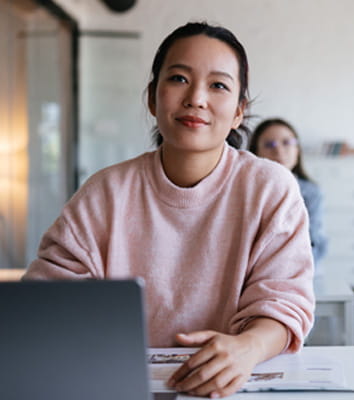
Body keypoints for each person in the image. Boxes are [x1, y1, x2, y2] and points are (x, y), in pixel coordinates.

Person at [23, 22, 314, 398]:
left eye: (218, 85)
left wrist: (250, 346)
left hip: (233, 386)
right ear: (151, 98)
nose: (196, 98)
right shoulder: (106, 191)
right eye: (178, 78)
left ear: (240, 111)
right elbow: (44, 301)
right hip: (115, 382)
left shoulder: (270, 188)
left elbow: (285, 300)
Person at [249, 118, 328, 269]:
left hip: (297, 270)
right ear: (255, 152)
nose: (278, 150)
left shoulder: (312, 193)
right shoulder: (245, 190)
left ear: (297, 150)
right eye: (269, 144)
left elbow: (315, 242)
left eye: (286, 143)